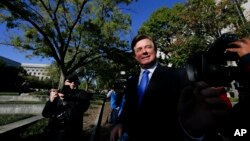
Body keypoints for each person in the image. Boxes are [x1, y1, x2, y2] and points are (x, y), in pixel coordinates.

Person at [110, 34, 231, 141]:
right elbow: (128, 107)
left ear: (155, 51)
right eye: (139, 49)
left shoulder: (178, 75)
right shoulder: (131, 82)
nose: (144, 51)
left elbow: (194, 115)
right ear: (135, 56)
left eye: (148, 47)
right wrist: (119, 123)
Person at [42, 74, 91, 141]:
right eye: (69, 81)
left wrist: (67, 99)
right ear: (64, 82)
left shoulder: (81, 94)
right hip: (54, 132)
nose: (72, 83)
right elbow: (45, 114)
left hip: (72, 133)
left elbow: (83, 107)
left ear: (77, 83)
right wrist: (51, 100)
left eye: (74, 81)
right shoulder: (57, 95)